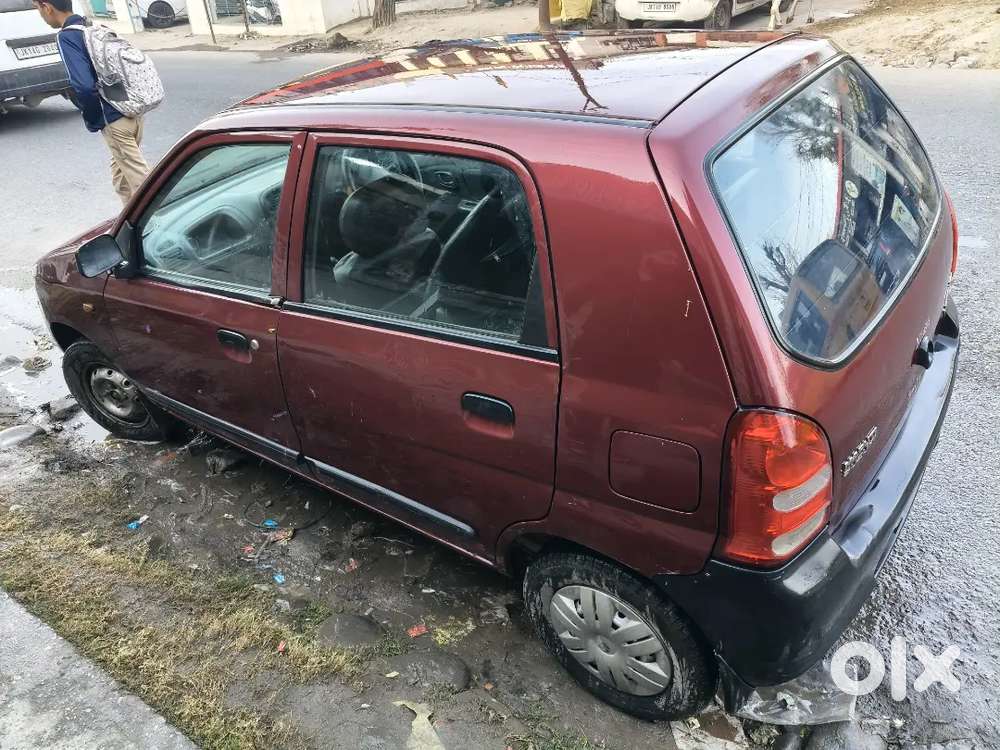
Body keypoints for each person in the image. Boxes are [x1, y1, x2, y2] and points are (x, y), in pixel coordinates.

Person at [34, 0, 150, 204]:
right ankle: (129, 219)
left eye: (38, 8)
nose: (40, 14)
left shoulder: (67, 36)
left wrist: (93, 120)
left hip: (114, 120)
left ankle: (166, 219)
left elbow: (84, 86)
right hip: (132, 111)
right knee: (122, 181)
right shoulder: (93, 26)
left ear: (47, 7)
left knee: (144, 185)